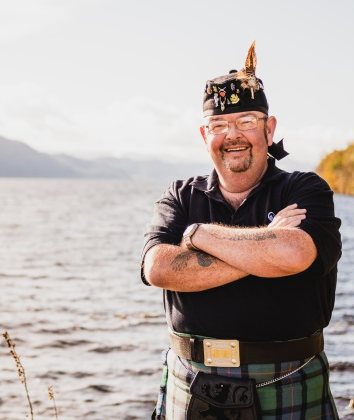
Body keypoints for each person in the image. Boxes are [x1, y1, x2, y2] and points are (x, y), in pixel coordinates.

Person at [141, 42, 342, 420]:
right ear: (204, 135)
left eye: (246, 122)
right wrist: (266, 250)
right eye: (219, 126)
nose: (232, 135)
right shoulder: (180, 195)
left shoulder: (306, 189)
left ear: (269, 128)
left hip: (288, 376)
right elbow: (159, 269)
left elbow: (294, 254)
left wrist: (199, 234)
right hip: (192, 379)